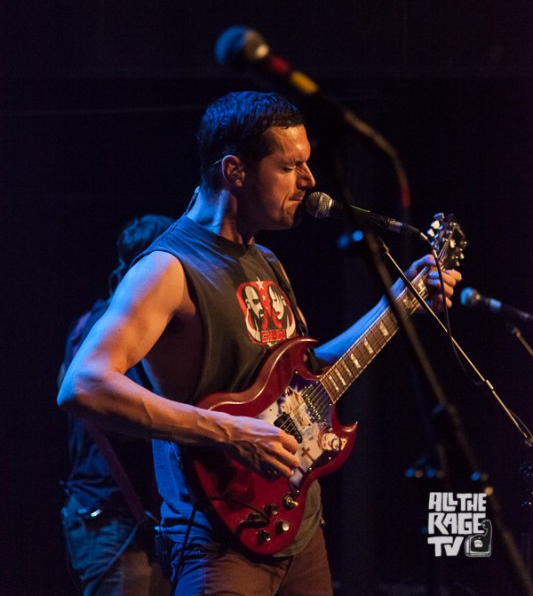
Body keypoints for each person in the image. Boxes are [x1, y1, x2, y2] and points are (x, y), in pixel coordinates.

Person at [58, 92, 462, 596]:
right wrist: (231, 433)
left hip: (299, 531)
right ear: (235, 171)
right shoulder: (166, 270)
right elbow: (84, 384)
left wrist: (399, 303)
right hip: (219, 544)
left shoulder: (268, 261)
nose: (310, 181)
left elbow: (311, 373)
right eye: (291, 166)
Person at [59, 214, 175, 596]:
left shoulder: (88, 325)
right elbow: (138, 423)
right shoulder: (110, 333)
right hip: (112, 520)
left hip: (128, 518)